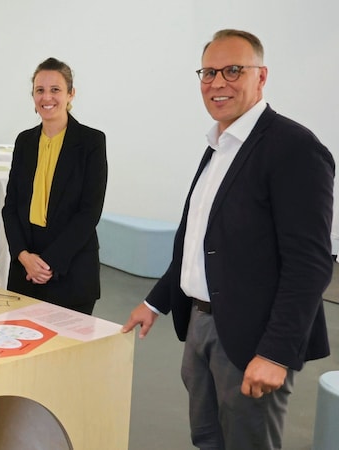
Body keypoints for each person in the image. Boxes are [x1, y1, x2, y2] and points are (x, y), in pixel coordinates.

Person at [121, 29, 333, 449]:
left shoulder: (294, 148)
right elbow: (195, 243)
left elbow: (310, 264)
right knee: (207, 439)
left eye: (233, 70)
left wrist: (276, 353)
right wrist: (154, 302)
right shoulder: (219, 145)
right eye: (209, 72)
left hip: (252, 335)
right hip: (202, 325)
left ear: (262, 76)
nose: (218, 82)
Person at [1, 57, 107, 315]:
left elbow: (89, 213)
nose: (47, 97)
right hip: (25, 272)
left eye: (55, 89)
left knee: (67, 353)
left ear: (71, 94)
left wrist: (48, 263)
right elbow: (11, 206)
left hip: (70, 271)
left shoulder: (91, 142)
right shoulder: (25, 141)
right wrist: (23, 256)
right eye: (40, 90)